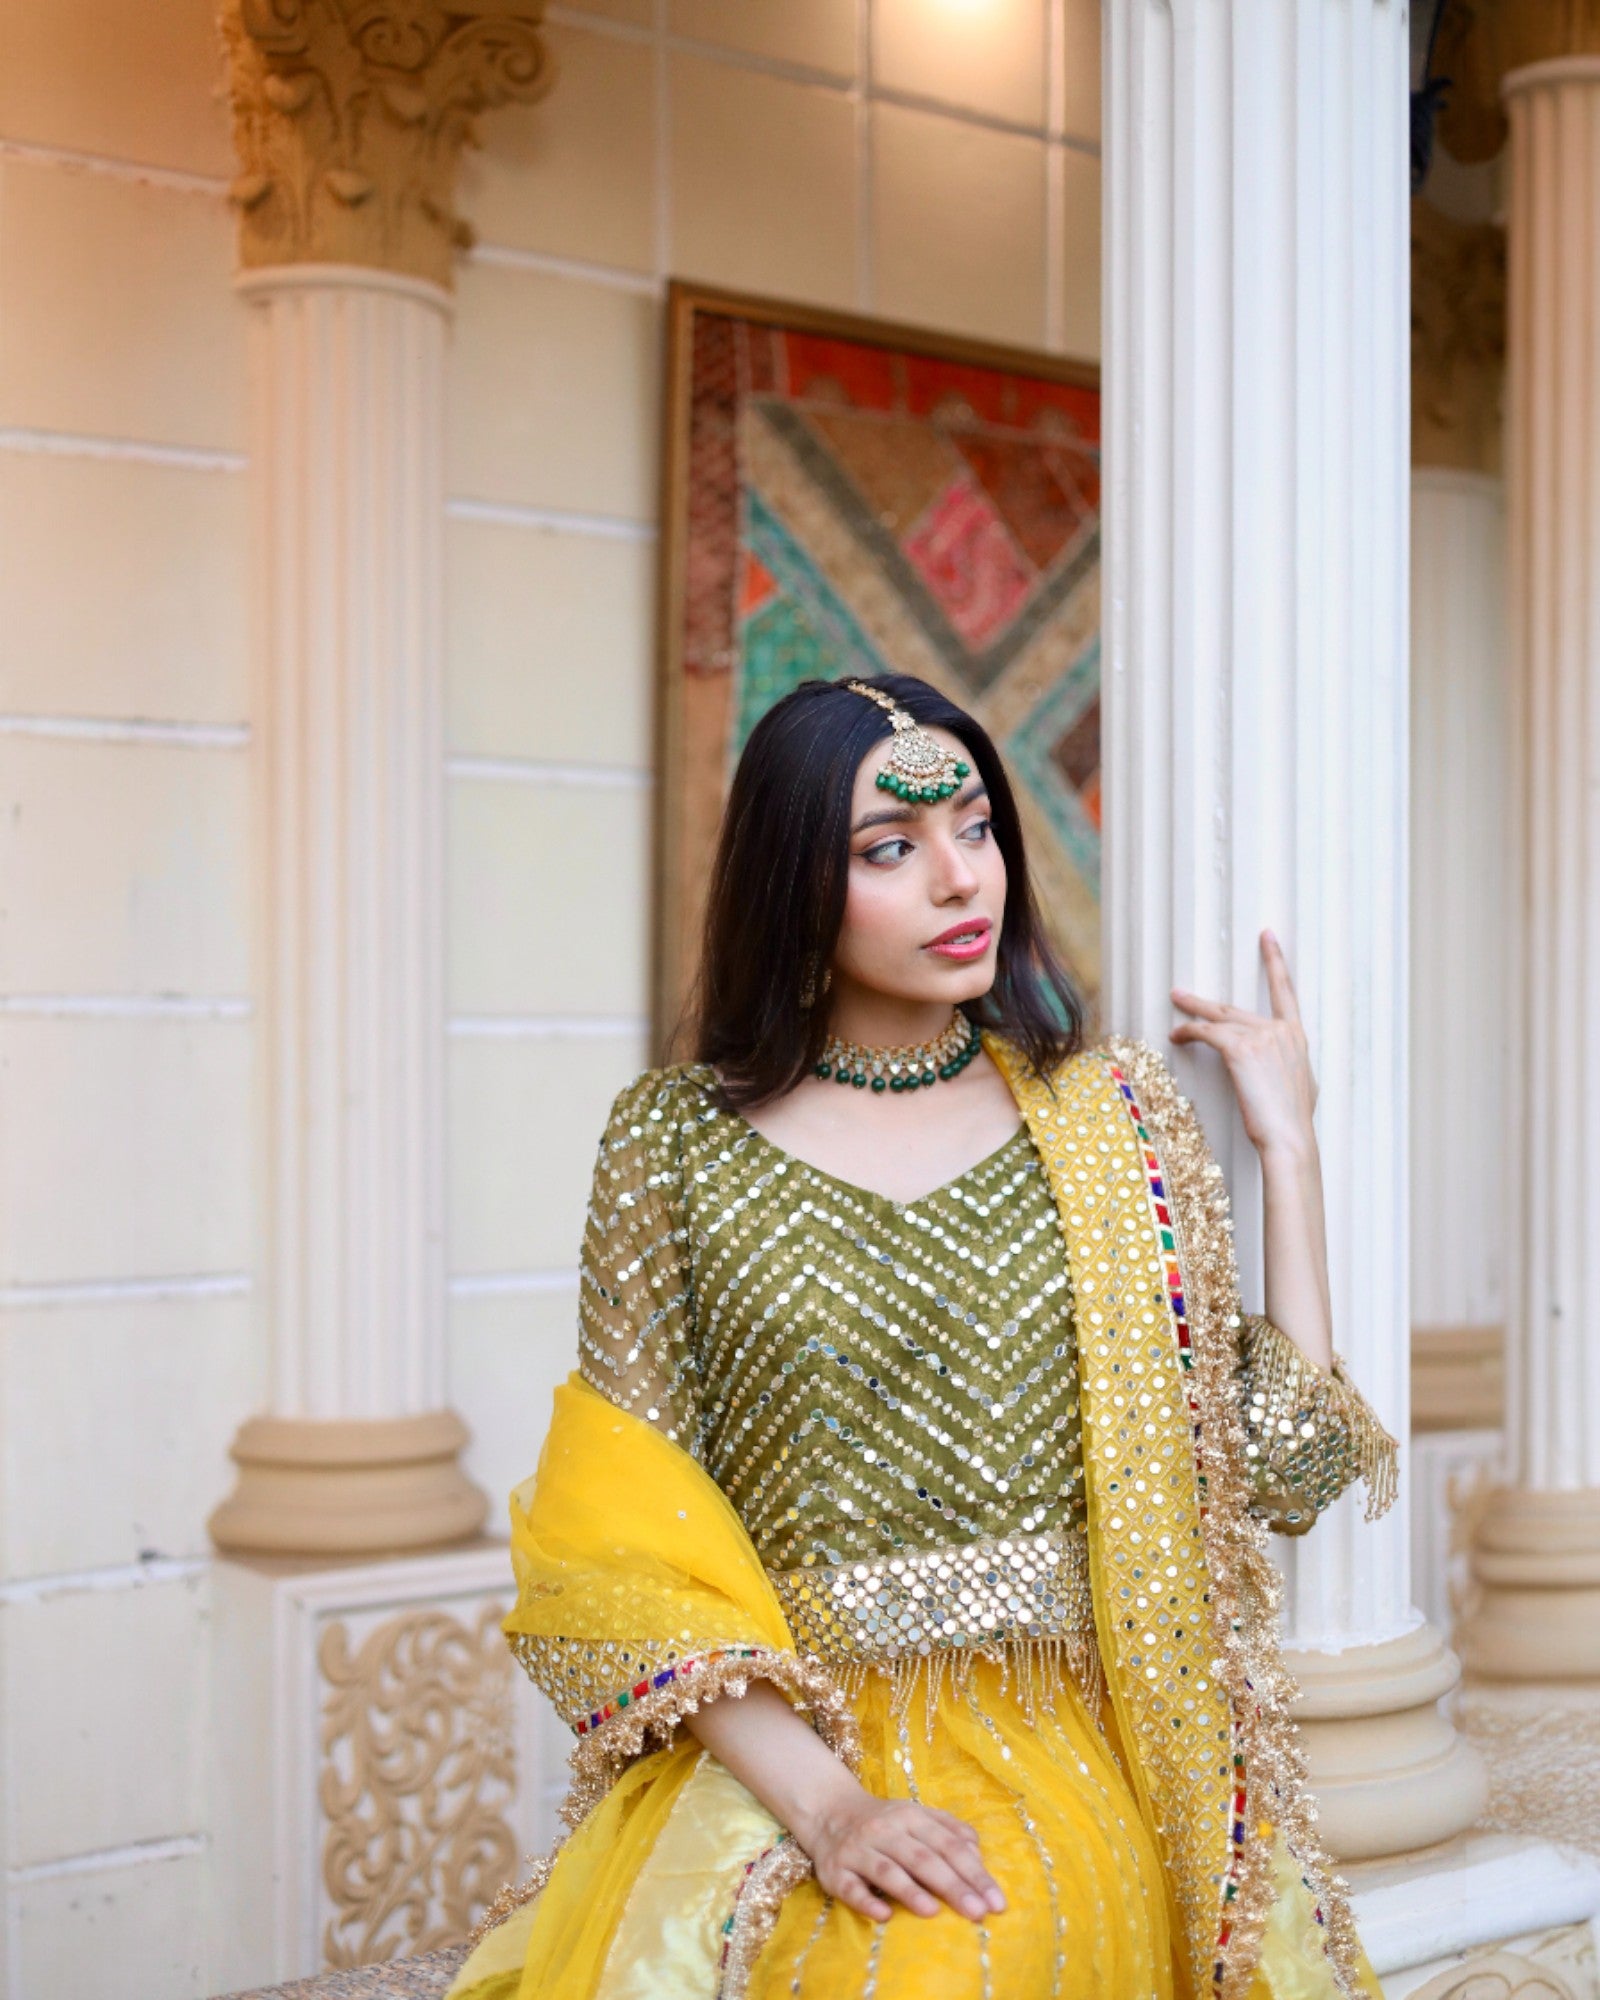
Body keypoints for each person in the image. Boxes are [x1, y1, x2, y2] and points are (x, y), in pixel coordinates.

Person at [444, 673, 1398, 2000]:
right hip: (789, 1746)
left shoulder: (1110, 1118)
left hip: (1072, 1740)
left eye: (976, 827)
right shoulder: (671, 1144)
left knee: (960, 1956)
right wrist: (833, 1813)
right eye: (890, 850)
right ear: (794, 882)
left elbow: (1284, 1466)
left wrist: (1289, 1145)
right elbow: (621, 1569)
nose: (962, 880)